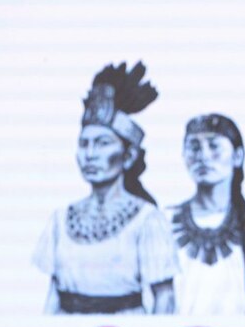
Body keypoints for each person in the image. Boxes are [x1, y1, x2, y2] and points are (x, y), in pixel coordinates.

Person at [33, 61, 177, 314]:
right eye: (84, 144)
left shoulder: (147, 220)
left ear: (128, 156)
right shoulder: (60, 220)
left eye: (102, 143)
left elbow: (164, 298)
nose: (90, 154)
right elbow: (53, 295)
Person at [169, 113, 245, 315]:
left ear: (238, 156)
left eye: (214, 146)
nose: (203, 156)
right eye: (194, 147)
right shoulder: (163, 224)